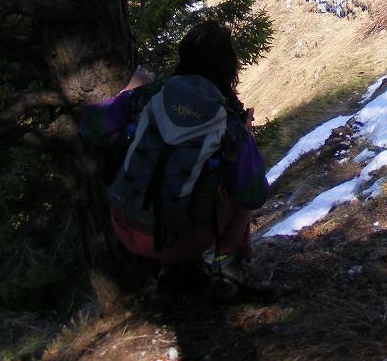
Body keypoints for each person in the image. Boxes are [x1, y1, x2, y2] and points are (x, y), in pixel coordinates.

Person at [80, 21, 271, 298]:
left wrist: (127, 93)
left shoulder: (149, 95)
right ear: (229, 67)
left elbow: (90, 127)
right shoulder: (227, 122)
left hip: (123, 224)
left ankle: (175, 270)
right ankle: (227, 269)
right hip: (179, 241)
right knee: (237, 190)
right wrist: (245, 139)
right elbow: (254, 195)